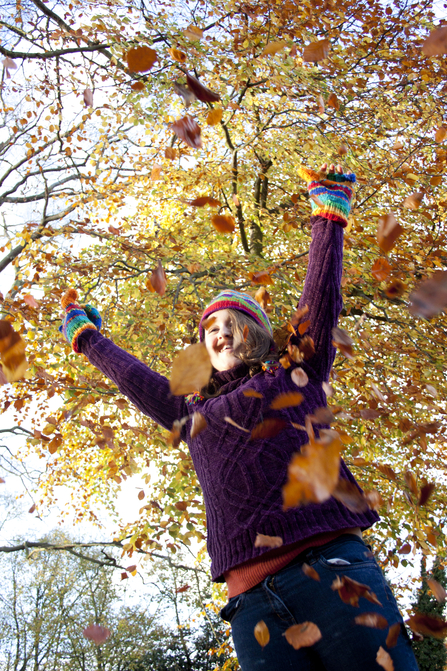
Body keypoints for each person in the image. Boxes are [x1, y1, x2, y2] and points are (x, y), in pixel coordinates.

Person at [60, 164, 419, 670]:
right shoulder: (192, 413)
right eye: (209, 330)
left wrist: (328, 217)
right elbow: (137, 380)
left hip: (333, 572)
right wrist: (89, 338)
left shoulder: (293, 373)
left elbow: (318, 302)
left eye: (231, 323)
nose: (219, 333)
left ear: (255, 333)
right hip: (252, 609)